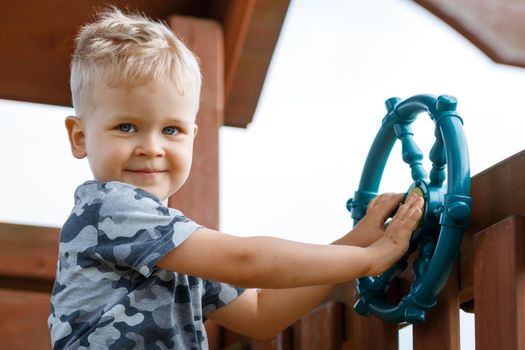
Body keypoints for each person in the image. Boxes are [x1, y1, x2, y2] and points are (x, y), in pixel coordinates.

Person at [48, 7, 424, 350]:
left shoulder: (175, 247)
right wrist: (371, 259)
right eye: (126, 126)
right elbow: (246, 260)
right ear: (80, 138)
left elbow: (260, 313)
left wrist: (357, 244)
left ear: (193, 137)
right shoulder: (109, 208)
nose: (152, 147)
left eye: (171, 130)